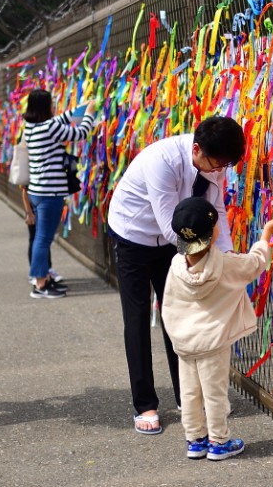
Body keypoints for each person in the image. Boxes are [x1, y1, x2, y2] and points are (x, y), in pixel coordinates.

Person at [107, 115, 245, 435]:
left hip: (174, 238)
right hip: (134, 236)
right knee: (138, 317)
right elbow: (172, 225)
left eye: (224, 165)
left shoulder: (214, 161)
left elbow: (216, 211)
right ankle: (145, 405)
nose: (218, 170)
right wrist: (206, 257)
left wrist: (227, 256)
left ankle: (188, 398)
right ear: (196, 149)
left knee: (180, 318)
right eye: (215, 164)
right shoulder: (163, 161)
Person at [162, 197, 273, 460]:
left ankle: (195, 440)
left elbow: (168, 303)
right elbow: (255, 263)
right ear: (213, 232)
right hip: (212, 343)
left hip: (184, 342)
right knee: (214, 393)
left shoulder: (176, 266)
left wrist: (176, 334)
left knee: (190, 393)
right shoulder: (225, 265)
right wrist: (265, 236)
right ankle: (219, 441)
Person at [24, 89, 96, 299]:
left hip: (37, 191)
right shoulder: (50, 127)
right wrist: (89, 114)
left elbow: (62, 118)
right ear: (46, 107)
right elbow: (80, 133)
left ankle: (42, 279)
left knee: (40, 237)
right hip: (50, 193)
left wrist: (82, 107)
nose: (55, 106)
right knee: (43, 239)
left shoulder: (31, 127)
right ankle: (40, 284)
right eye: (52, 103)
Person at [22, 186, 64, 285]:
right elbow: (24, 190)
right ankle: (35, 274)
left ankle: (46, 270)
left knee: (43, 240)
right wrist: (29, 213)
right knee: (36, 239)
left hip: (41, 201)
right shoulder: (31, 172)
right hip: (34, 206)